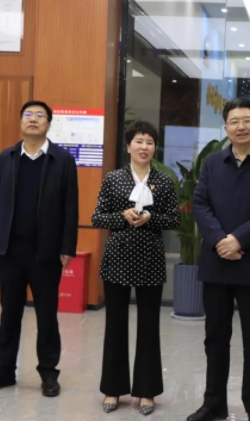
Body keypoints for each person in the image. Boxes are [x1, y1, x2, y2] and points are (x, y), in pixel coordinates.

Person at [187, 98, 250, 421]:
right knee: (215, 338)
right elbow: (200, 203)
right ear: (226, 128)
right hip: (217, 262)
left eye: (247, 120)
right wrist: (221, 240)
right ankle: (213, 404)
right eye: (234, 121)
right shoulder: (213, 163)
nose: (241, 126)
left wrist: (239, 239)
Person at [0, 100, 79, 397]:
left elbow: (70, 206)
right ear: (21, 121)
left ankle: (48, 373)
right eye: (28, 115)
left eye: (39, 116)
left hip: (46, 252)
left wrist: (67, 246)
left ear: (48, 124)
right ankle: (3, 371)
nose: (33, 119)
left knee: (47, 316)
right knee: (9, 314)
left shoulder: (62, 160)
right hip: (11, 251)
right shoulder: (7, 157)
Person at [92, 121, 179, 416]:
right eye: (139, 141)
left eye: (150, 142)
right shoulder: (113, 179)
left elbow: (174, 219)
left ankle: (146, 390)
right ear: (128, 146)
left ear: (155, 148)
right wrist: (122, 215)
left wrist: (150, 218)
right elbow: (97, 217)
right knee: (115, 325)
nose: (144, 147)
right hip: (117, 259)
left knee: (149, 326)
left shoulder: (164, 181)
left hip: (150, 259)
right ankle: (113, 388)